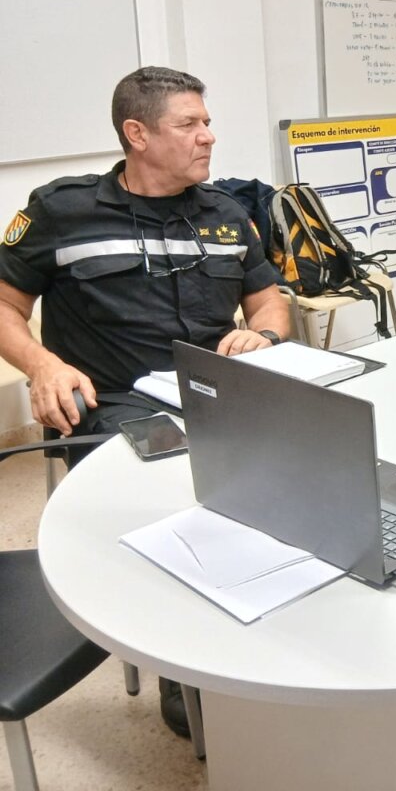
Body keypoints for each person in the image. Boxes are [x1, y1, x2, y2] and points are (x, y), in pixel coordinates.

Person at [0, 65, 290, 738]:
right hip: (118, 408)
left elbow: (269, 298)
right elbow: (6, 304)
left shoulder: (226, 213)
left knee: (314, 460)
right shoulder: (59, 209)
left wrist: (264, 332)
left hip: (222, 393)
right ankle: (183, 668)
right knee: (185, 498)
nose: (209, 137)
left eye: (207, 122)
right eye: (190, 124)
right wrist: (43, 364)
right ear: (138, 134)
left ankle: (279, 638)